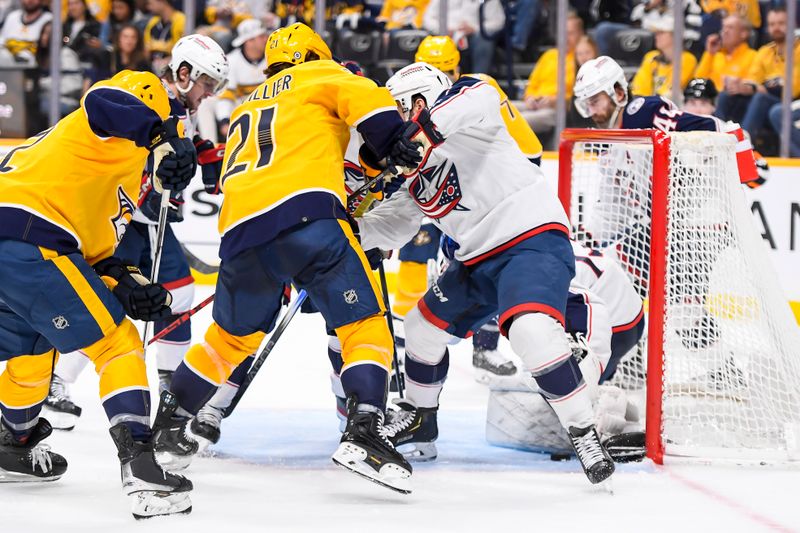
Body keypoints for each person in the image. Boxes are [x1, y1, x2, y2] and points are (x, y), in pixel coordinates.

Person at [151, 23, 424, 494]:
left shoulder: (246, 103)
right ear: (315, 54)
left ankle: (170, 424)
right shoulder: (321, 75)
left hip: (239, 231)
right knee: (363, 325)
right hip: (308, 217)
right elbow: (370, 101)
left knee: (228, 341)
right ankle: (363, 427)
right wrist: (393, 135)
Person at [357, 62, 616, 485]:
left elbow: (475, 95)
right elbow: (398, 224)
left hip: (529, 238)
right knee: (421, 327)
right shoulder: (410, 167)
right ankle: (420, 420)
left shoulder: (471, 105)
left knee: (531, 332)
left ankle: (584, 432)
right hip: (475, 258)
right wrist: (346, 232)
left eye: (400, 110)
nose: (393, 123)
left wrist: (419, 132)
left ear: (419, 102)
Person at [0, 69, 197, 517]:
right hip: (26, 235)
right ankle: (141, 466)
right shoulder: (110, 126)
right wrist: (157, 134)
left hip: (20, 244)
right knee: (117, 343)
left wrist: (129, 285)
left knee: (34, 348)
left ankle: (14, 442)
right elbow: (103, 101)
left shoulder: (111, 172)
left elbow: (92, 258)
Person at [43, 34, 230, 431]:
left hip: (146, 221)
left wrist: (206, 151)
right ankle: (55, 379)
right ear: (184, 74)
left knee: (177, 294)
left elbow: (182, 137)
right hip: (122, 220)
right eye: (207, 84)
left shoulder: (180, 107)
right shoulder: (148, 95)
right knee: (108, 304)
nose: (209, 94)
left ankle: (169, 384)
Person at [408, 34, 544, 382]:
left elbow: (529, 148)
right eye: (432, 71)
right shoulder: (408, 96)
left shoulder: (478, 89)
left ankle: (485, 346)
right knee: (415, 249)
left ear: (457, 68)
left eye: (446, 71)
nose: (440, 79)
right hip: (442, 189)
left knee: (490, 268)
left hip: (481, 196)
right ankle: (406, 338)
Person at [516, 12, 584, 144]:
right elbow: (532, 84)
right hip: (534, 103)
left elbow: (577, 97)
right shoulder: (549, 55)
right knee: (504, 108)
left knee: (519, 120)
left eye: (570, 33)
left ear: (580, 34)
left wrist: (555, 101)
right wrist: (530, 98)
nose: (566, 37)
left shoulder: (580, 58)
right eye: (563, 33)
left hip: (556, 109)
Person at [739, 5, 800, 142]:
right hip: (770, 100)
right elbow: (752, 79)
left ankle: (742, 145)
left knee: (761, 99)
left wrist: (763, 88)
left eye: (781, 23)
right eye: (772, 24)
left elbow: (793, 89)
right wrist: (745, 87)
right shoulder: (765, 51)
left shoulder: (798, 50)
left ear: (792, 25)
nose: (776, 28)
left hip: (792, 101)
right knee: (729, 97)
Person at [695, 14, 756, 122]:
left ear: (744, 34)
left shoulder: (753, 56)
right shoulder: (716, 55)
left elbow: (751, 84)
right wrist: (709, 53)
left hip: (734, 104)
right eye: (724, 27)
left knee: (723, 97)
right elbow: (698, 80)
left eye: (730, 28)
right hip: (708, 103)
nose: (725, 31)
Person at [215, 18, 268, 138]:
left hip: (268, 108)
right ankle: (210, 147)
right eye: (261, 36)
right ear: (249, 41)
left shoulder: (273, 57)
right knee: (207, 103)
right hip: (241, 109)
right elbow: (226, 95)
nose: (266, 39)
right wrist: (224, 121)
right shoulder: (231, 61)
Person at [630, 10, 698, 98]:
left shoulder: (687, 59)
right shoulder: (651, 56)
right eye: (656, 33)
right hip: (648, 104)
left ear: (675, 36)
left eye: (661, 33)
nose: (656, 36)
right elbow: (639, 87)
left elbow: (670, 91)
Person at [0, 0, 53, 65]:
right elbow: (2, 43)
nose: (29, 1)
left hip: (36, 71)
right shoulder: (12, 17)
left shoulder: (49, 20)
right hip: (9, 70)